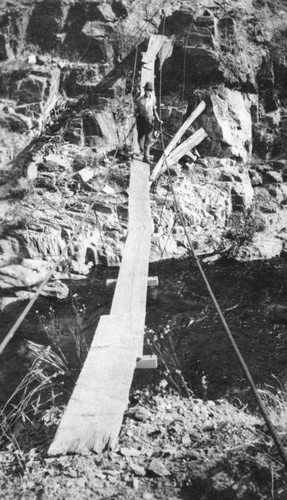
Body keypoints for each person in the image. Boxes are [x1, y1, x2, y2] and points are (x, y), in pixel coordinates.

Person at [135, 81, 163, 163]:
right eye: (147, 90)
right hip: (141, 119)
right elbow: (136, 111)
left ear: (151, 91)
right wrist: (131, 115)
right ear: (144, 90)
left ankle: (145, 157)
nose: (148, 92)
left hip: (150, 119)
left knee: (148, 138)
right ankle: (143, 151)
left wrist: (158, 119)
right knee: (140, 136)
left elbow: (154, 110)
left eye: (150, 90)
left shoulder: (153, 99)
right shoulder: (139, 100)